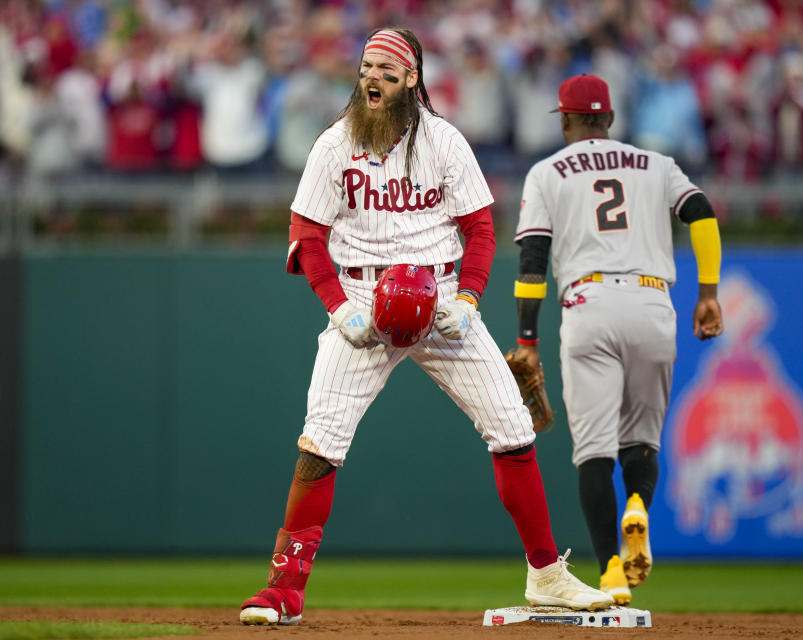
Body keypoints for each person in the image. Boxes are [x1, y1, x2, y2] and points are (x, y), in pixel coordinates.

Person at [238, 29, 613, 626]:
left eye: (387, 69)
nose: (373, 78)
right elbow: (307, 237)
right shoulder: (334, 144)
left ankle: (546, 576)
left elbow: (482, 230)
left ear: (412, 79)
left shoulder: (442, 140)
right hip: (360, 296)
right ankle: (284, 591)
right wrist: (338, 307)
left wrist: (468, 298)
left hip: (439, 301)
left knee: (513, 426)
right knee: (321, 440)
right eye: (366, 67)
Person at [511, 74, 724, 605]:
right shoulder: (656, 164)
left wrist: (528, 337)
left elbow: (534, 257)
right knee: (642, 442)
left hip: (589, 305)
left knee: (594, 452)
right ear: (609, 119)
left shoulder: (547, 173)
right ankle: (637, 505)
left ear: (565, 120)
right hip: (653, 302)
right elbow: (701, 213)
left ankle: (609, 570)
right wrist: (709, 293)